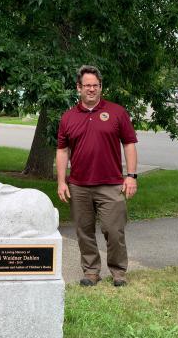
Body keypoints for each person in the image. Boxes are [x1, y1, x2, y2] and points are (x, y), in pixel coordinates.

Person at [56, 65, 138, 287]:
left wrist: (131, 176)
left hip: (111, 184)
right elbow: (62, 150)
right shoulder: (68, 117)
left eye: (95, 85)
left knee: (114, 230)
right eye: (87, 85)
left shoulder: (117, 112)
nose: (91, 89)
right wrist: (61, 181)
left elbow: (129, 144)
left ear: (101, 87)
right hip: (79, 185)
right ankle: (91, 271)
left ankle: (118, 272)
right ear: (78, 87)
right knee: (84, 231)